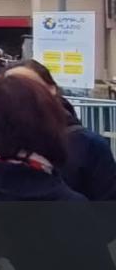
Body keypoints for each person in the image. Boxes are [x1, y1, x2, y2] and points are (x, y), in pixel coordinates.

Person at [6, 59, 116, 200]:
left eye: (30, 85)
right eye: (11, 86)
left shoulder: (88, 144)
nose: (20, 94)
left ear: (52, 89)